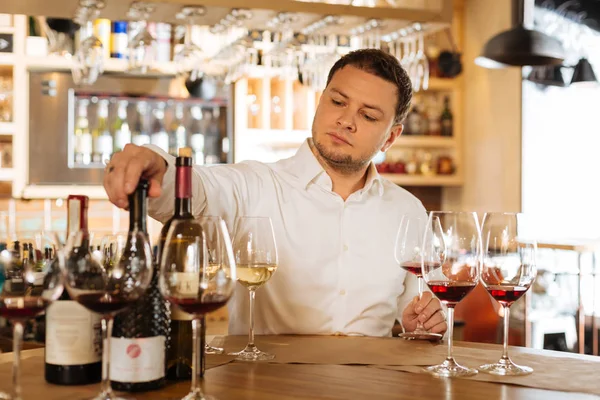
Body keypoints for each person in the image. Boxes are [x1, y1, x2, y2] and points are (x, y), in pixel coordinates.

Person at [103, 48, 447, 337]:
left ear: (390, 137)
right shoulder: (255, 184)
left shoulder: (409, 211)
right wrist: (157, 166)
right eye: (338, 101)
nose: (346, 120)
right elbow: (197, 192)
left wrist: (420, 321)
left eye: (368, 116)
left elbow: (417, 306)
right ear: (320, 101)